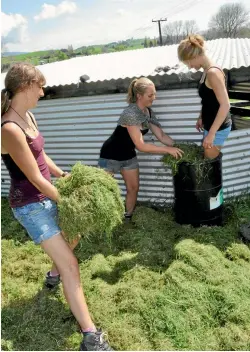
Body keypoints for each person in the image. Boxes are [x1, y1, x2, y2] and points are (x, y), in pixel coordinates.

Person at [1, 62, 112, 351]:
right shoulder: (9, 128)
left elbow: (41, 154)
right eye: (39, 85)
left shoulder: (28, 117)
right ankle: (90, 335)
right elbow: (35, 178)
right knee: (71, 265)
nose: (43, 90)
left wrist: (63, 174)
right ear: (25, 87)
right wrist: (67, 200)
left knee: (72, 234)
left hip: (47, 194)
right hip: (30, 205)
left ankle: (52, 276)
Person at [98, 77, 183, 222]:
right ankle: (102, 221)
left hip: (128, 155)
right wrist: (167, 150)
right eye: (150, 95)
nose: (154, 98)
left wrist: (178, 146)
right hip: (110, 154)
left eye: (154, 94)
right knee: (103, 189)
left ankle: (127, 218)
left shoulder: (148, 112)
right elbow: (141, 145)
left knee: (133, 188)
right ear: (139, 96)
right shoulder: (130, 113)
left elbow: (161, 135)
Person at [178, 34, 231, 159]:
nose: (190, 67)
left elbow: (225, 105)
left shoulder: (213, 73)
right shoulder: (206, 72)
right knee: (207, 162)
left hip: (218, 128)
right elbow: (209, 99)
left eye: (188, 63)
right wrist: (201, 116)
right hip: (210, 124)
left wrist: (212, 134)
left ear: (194, 56)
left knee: (209, 166)